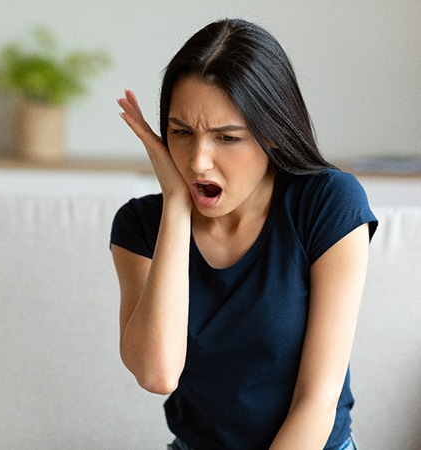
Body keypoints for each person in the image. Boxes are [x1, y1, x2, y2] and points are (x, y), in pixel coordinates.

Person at [111, 18, 377, 450]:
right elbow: (158, 373)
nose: (198, 162)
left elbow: (317, 399)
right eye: (181, 132)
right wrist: (176, 206)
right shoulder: (139, 227)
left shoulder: (328, 203)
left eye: (227, 138)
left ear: (272, 136)